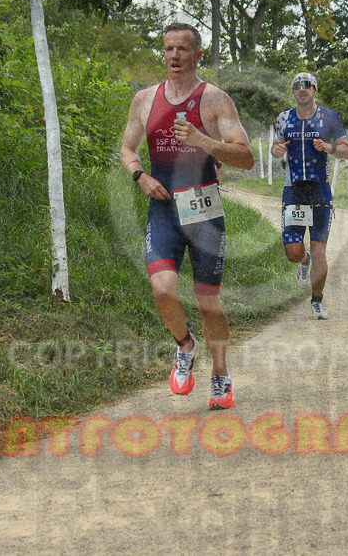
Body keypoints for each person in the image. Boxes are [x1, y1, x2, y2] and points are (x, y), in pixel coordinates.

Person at [119, 23, 254, 410]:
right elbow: (127, 149)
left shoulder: (215, 100)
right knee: (162, 290)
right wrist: (139, 175)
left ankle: (221, 374)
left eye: (182, 49)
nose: (174, 55)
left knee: (208, 302)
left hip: (204, 210)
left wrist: (203, 141)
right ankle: (185, 345)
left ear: (197, 55)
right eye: (168, 48)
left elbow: (245, 156)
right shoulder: (145, 99)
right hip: (163, 208)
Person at [271, 72, 348, 319]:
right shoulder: (284, 118)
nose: (302, 89)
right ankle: (303, 263)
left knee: (320, 252)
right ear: (293, 91)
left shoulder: (330, 117)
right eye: (297, 86)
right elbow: (276, 148)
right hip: (293, 191)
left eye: (307, 85)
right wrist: (276, 150)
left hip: (319, 191)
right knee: (293, 252)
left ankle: (317, 301)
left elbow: (346, 151)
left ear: (315, 89)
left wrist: (330, 147)